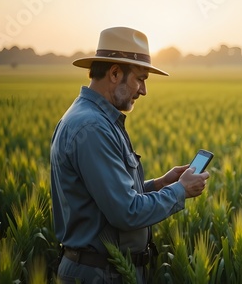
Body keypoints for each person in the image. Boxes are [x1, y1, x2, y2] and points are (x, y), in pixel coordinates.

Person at [50, 27, 209, 283]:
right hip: (99, 275)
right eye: (140, 78)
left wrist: (159, 184)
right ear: (114, 73)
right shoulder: (93, 128)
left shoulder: (95, 119)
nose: (144, 90)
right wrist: (181, 191)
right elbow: (126, 212)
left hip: (107, 270)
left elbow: (107, 199)